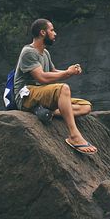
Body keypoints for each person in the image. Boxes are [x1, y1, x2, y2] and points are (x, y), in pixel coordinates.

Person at [13, 18, 97, 154]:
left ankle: (47, 112)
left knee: (86, 106)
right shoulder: (28, 52)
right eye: (51, 30)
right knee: (63, 88)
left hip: (40, 94)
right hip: (26, 95)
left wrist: (70, 72)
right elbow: (41, 77)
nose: (55, 33)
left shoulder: (45, 53)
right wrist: (66, 74)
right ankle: (74, 136)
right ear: (42, 32)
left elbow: (53, 72)